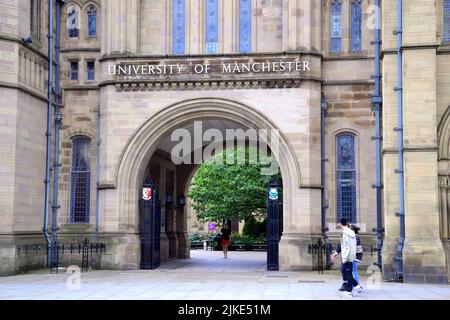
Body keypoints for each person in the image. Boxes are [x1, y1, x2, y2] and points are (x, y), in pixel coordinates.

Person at [331, 218, 358, 297]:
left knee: (348, 273)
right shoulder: (351, 232)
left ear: (340, 224)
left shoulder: (345, 233)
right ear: (347, 223)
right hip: (350, 255)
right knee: (347, 272)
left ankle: (349, 291)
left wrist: (345, 256)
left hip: (347, 256)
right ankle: (355, 287)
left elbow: (347, 246)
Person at [351, 225, 363, 294]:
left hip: (354, 257)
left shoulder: (354, 237)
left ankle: (356, 286)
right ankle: (357, 285)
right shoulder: (357, 237)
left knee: (353, 272)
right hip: (357, 257)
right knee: (354, 272)